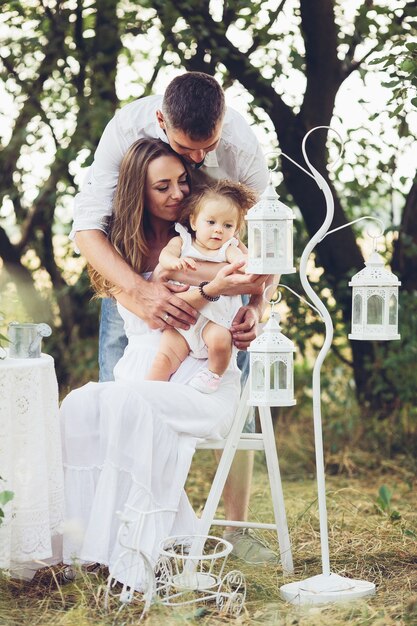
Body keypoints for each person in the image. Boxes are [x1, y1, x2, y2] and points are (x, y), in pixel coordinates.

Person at [72, 71, 276, 563]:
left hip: (222, 300)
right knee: (123, 400)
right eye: (188, 149)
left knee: (232, 401)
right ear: (161, 120)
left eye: (208, 149)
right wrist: (137, 290)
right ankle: (112, 527)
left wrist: (257, 306)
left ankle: (236, 527)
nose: (199, 160)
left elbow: (270, 235)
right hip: (142, 281)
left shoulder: (241, 146)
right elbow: (86, 226)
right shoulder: (125, 131)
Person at [146, 180, 257, 393]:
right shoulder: (182, 241)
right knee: (164, 358)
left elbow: (242, 262)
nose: (218, 231)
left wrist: (247, 263)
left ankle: (212, 375)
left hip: (212, 320)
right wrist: (174, 263)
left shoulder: (227, 248)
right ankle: (149, 392)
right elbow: (165, 256)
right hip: (182, 322)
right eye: (211, 222)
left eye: (227, 225)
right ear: (194, 221)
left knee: (221, 342)